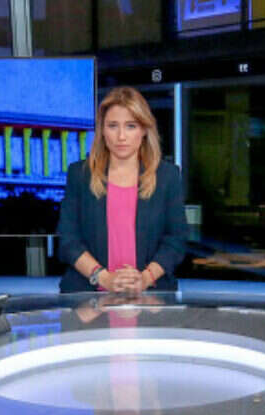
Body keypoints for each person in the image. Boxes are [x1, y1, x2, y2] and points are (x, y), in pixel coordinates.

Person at [56, 86, 188, 294]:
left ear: (144, 130)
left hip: (151, 298)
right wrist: (104, 278)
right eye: (112, 126)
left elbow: (176, 240)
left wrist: (145, 278)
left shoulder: (167, 176)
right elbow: (68, 239)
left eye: (130, 126)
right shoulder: (80, 174)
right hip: (88, 298)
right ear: (102, 130)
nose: (121, 136)